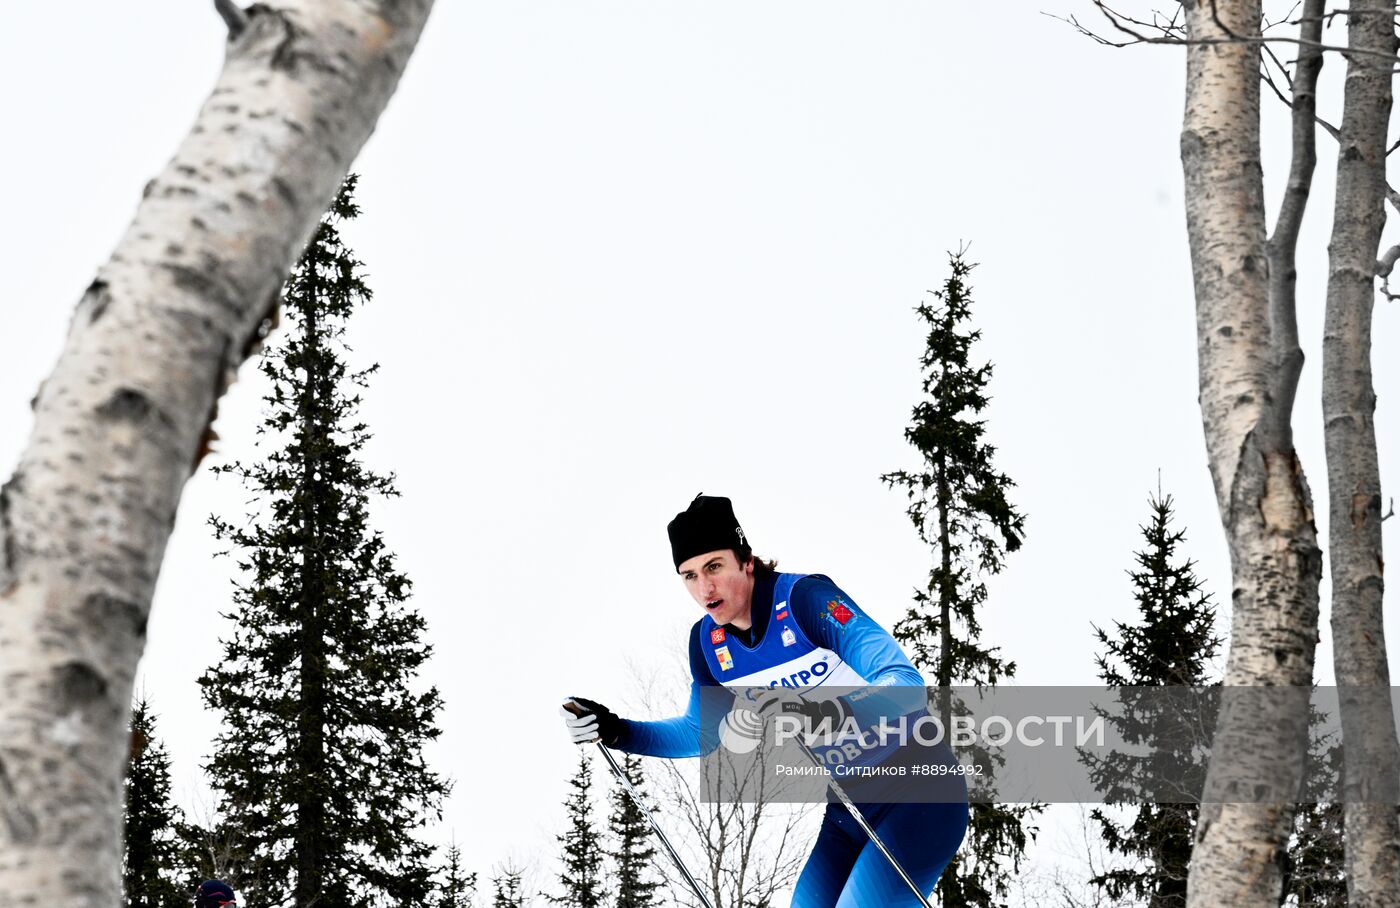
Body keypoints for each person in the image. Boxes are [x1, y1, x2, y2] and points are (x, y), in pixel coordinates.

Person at [562, 494, 968, 908]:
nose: (705, 588)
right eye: (689, 575)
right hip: (849, 809)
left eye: (714, 566)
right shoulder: (709, 646)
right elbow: (700, 734)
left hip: (923, 792)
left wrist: (827, 710)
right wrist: (617, 730)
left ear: (746, 560)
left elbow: (905, 684)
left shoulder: (806, 601)